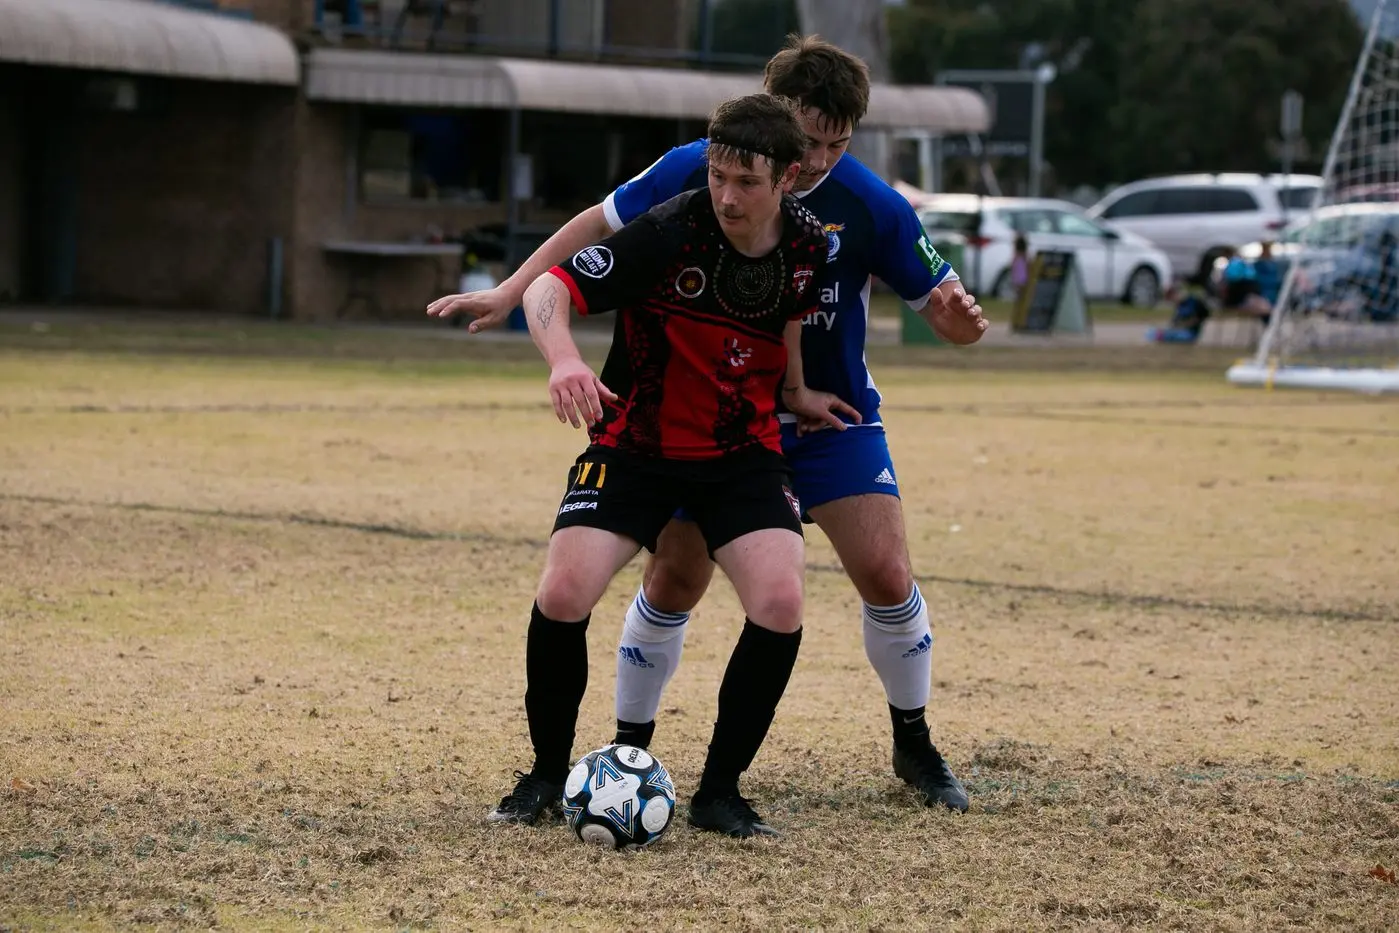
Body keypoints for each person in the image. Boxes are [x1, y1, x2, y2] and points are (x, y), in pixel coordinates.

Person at [430, 36, 987, 814]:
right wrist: (510, 292)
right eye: (805, 137)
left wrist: (957, 323)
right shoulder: (696, 178)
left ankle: (911, 741)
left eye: (836, 143)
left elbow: (933, 318)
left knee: (882, 574)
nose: (819, 158)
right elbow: (588, 236)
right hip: (684, 420)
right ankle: (619, 753)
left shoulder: (854, 213)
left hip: (817, 417)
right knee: (674, 579)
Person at [487, 93, 860, 838]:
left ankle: (720, 791)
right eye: (718, 174)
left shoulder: (811, 245)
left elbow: (785, 317)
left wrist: (794, 390)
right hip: (637, 445)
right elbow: (546, 291)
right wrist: (563, 361)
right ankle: (543, 774)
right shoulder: (669, 230)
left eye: (745, 182)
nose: (725, 194)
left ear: (788, 178)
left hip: (742, 455)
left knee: (780, 603)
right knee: (563, 592)